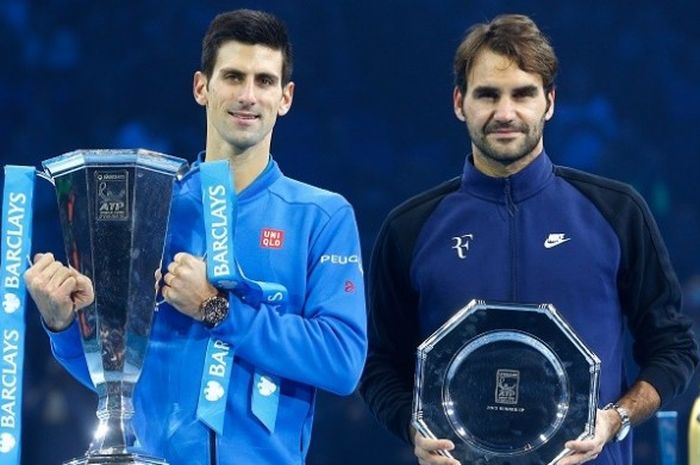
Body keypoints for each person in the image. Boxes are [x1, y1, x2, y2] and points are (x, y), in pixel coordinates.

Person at [24, 9, 367, 465]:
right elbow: (117, 375)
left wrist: (216, 308)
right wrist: (64, 325)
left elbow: (341, 363)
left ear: (285, 98)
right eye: (232, 76)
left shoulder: (322, 216)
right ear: (201, 87)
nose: (248, 96)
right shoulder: (152, 205)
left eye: (264, 81)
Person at [359, 13, 698, 465]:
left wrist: (614, 419)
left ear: (550, 102)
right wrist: (411, 426)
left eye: (523, 94)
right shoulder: (411, 227)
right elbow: (380, 365)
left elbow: (674, 348)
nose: (505, 113)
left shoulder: (617, 212)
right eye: (487, 95)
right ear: (460, 102)